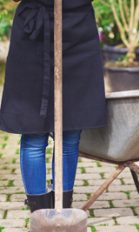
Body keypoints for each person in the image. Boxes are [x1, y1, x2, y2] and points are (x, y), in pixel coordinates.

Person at [0, 0, 107, 212]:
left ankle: (62, 204)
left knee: (71, 127)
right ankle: (39, 208)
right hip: (35, 33)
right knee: (33, 129)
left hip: (77, 31)